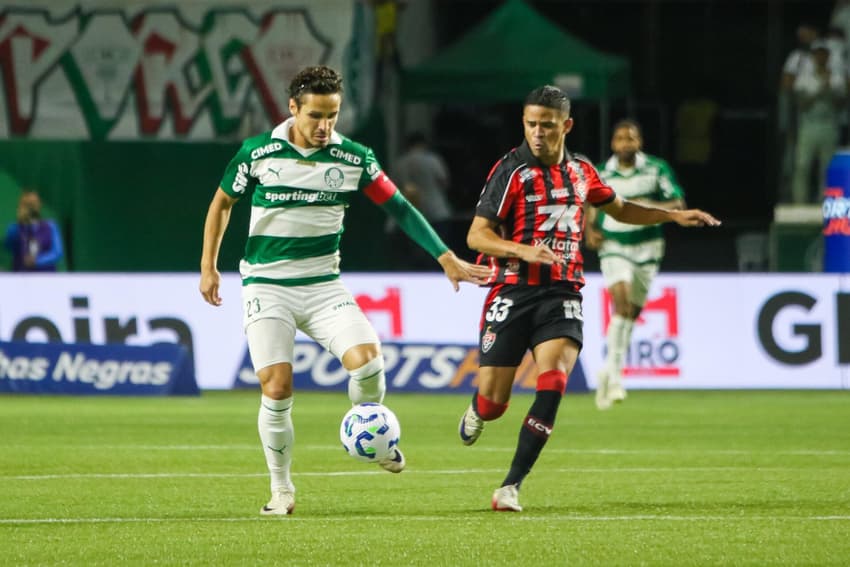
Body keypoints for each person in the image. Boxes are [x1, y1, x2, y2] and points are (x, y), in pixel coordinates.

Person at [198, 65, 490, 516]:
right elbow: (222, 204)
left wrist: (444, 256)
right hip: (267, 285)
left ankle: (369, 434)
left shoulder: (353, 158)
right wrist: (209, 266)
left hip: (322, 284)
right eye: (315, 115)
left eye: (332, 115)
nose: (324, 126)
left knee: (369, 362)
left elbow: (400, 206)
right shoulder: (257, 153)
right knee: (276, 388)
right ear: (293, 108)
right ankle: (282, 490)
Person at [456, 86, 719, 512]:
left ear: (567, 125)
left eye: (547, 125)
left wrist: (673, 215)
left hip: (562, 291)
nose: (537, 133)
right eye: (531, 124)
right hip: (513, 291)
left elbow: (619, 208)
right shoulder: (511, 170)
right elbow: (477, 234)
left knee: (554, 381)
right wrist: (524, 250)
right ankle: (478, 407)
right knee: (493, 404)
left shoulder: (581, 171)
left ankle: (511, 486)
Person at [584, 119, 685, 410]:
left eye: (631, 138)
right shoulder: (602, 172)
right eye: (619, 139)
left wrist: (643, 206)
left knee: (632, 313)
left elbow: (677, 203)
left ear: (639, 142)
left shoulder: (656, 169)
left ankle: (609, 369)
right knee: (623, 305)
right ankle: (615, 375)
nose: (625, 143)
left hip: (649, 247)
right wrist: (589, 228)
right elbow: (590, 200)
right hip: (614, 245)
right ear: (613, 143)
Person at [791, 39, 847, 204]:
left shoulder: (836, 78)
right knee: (802, 166)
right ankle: (799, 203)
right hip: (809, 125)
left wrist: (829, 89)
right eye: (818, 53)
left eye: (824, 53)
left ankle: (824, 202)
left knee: (826, 168)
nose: (821, 56)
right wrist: (819, 91)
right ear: (814, 56)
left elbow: (841, 104)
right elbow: (802, 104)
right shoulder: (804, 78)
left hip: (829, 125)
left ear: (828, 56)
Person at [387, 131, 454, 267]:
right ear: (423, 144)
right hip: (436, 211)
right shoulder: (433, 160)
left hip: (409, 213)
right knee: (438, 254)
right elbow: (444, 182)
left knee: (412, 256)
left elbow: (391, 186)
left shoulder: (400, 162)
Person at [4, 189, 64, 272]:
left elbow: (57, 252)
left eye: (34, 202)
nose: (32, 206)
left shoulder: (50, 226)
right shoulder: (15, 228)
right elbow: (8, 247)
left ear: (39, 204)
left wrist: (37, 261)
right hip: (21, 276)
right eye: (28, 204)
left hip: (46, 276)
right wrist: (21, 223)